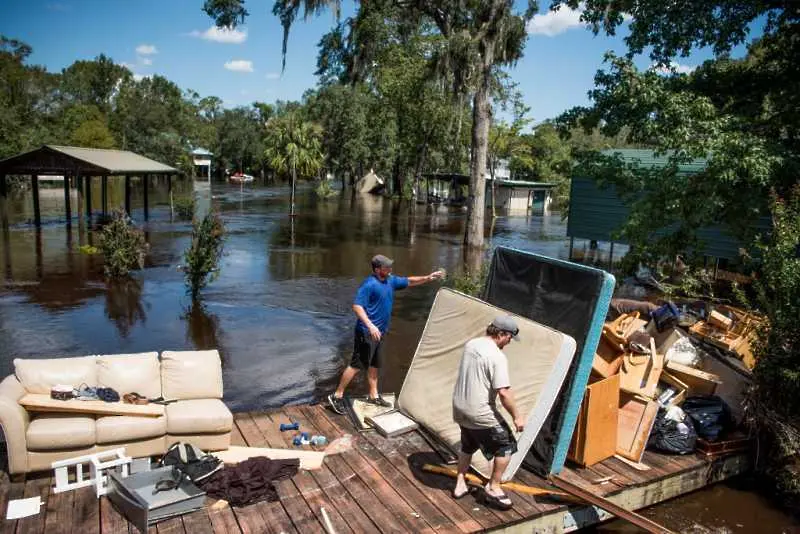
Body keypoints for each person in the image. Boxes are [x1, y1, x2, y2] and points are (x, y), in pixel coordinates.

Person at [327, 254, 444, 414]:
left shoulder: (390, 280)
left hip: (380, 333)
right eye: (386, 267)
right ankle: (337, 395)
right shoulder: (369, 285)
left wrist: (428, 277)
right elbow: (357, 306)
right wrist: (370, 326)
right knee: (356, 365)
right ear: (377, 269)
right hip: (366, 333)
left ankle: (373, 396)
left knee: (375, 364)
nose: (390, 269)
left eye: (390, 267)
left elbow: (409, 281)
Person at [451, 316, 524, 510]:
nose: (509, 343)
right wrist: (517, 416)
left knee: (468, 444)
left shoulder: (471, 344)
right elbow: (504, 392)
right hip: (479, 412)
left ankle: (460, 483)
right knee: (507, 446)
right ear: (501, 334)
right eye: (509, 338)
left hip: (459, 407)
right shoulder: (497, 357)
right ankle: (493, 487)